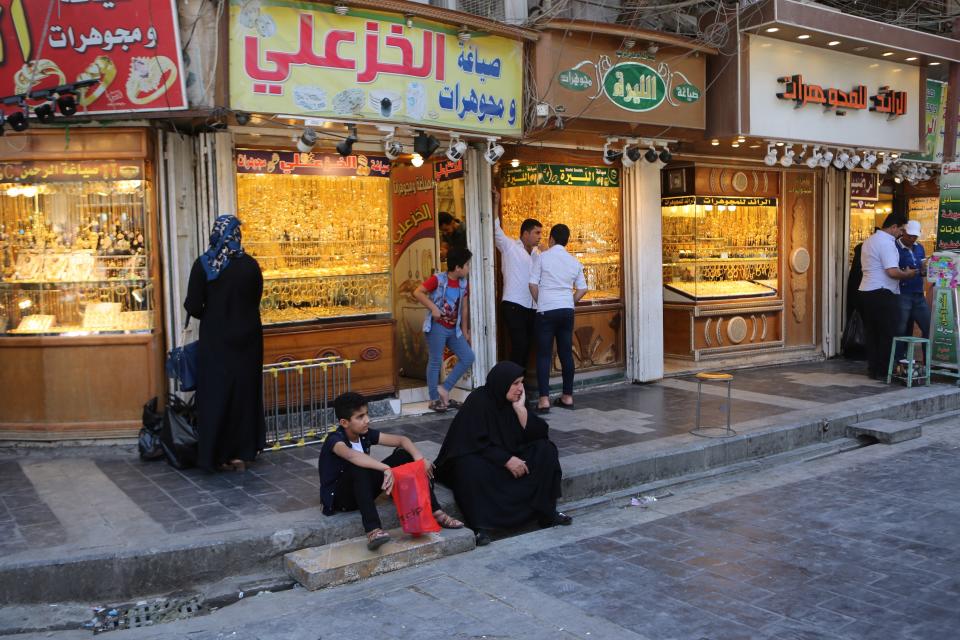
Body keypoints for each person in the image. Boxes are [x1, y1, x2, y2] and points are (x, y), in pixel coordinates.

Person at [433, 361, 570, 546]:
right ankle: (480, 526)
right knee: (468, 467)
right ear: (502, 383)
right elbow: (470, 442)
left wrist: (521, 410)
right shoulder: (479, 400)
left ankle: (546, 513)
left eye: (522, 382)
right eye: (515, 383)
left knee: (546, 450)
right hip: (485, 458)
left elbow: (539, 433)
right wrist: (505, 459)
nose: (520, 388)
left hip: (510, 455)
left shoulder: (518, 401)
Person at [318, 392, 464, 550]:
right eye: (360, 417)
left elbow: (402, 440)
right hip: (342, 499)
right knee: (359, 467)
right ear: (344, 422)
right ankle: (373, 530)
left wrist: (420, 459)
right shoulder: (335, 440)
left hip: (363, 488)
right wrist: (386, 468)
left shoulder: (364, 434)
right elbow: (352, 456)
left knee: (403, 455)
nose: (367, 420)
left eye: (366, 414)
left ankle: (435, 511)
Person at [184, 214, 266, 472]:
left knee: (216, 395)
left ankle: (215, 455)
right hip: (248, 340)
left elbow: (194, 306)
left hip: (216, 342)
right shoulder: (251, 265)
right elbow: (255, 299)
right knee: (244, 394)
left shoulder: (205, 264)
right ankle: (242, 452)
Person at [528, 224, 588, 413]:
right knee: (565, 353)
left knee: (544, 354)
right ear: (567, 241)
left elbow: (532, 284)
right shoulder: (574, 261)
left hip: (546, 310)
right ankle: (567, 396)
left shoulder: (542, 258)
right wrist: (570, 301)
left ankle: (544, 399)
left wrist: (542, 301)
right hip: (566, 310)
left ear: (551, 239)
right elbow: (583, 288)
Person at [414, 246, 475, 413]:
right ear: (458, 267)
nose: (468, 268)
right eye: (467, 265)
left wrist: (464, 331)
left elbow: (463, 308)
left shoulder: (464, 283)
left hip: (454, 329)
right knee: (435, 361)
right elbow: (418, 292)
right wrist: (433, 308)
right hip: (437, 327)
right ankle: (434, 399)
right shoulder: (438, 279)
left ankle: (444, 389)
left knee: (468, 356)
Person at [858, 212, 917, 380]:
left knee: (872, 333)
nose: (902, 233)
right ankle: (883, 371)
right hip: (882, 292)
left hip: (866, 291)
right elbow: (891, 271)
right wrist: (908, 274)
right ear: (893, 227)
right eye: (901, 230)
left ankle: (874, 369)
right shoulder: (887, 243)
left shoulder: (870, 240)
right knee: (886, 333)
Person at [493, 190, 542, 368]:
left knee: (528, 347)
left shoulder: (538, 254)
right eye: (536, 233)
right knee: (519, 346)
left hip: (532, 308)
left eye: (540, 234)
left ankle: (519, 387)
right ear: (525, 234)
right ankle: (513, 387)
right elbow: (495, 230)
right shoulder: (510, 247)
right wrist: (495, 204)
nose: (539, 237)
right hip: (513, 305)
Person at [895, 220, 930, 361]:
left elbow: (921, 270)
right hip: (902, 293)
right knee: (900, 330)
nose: (912, 239)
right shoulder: (894, 247)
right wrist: (904, 272)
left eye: (915, 236)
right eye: (910, 235)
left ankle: (928, 361)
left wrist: (924, 270)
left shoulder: (919, 247)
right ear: (903, 232)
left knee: (928, 327)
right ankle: (898, 361)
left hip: (918, 294)